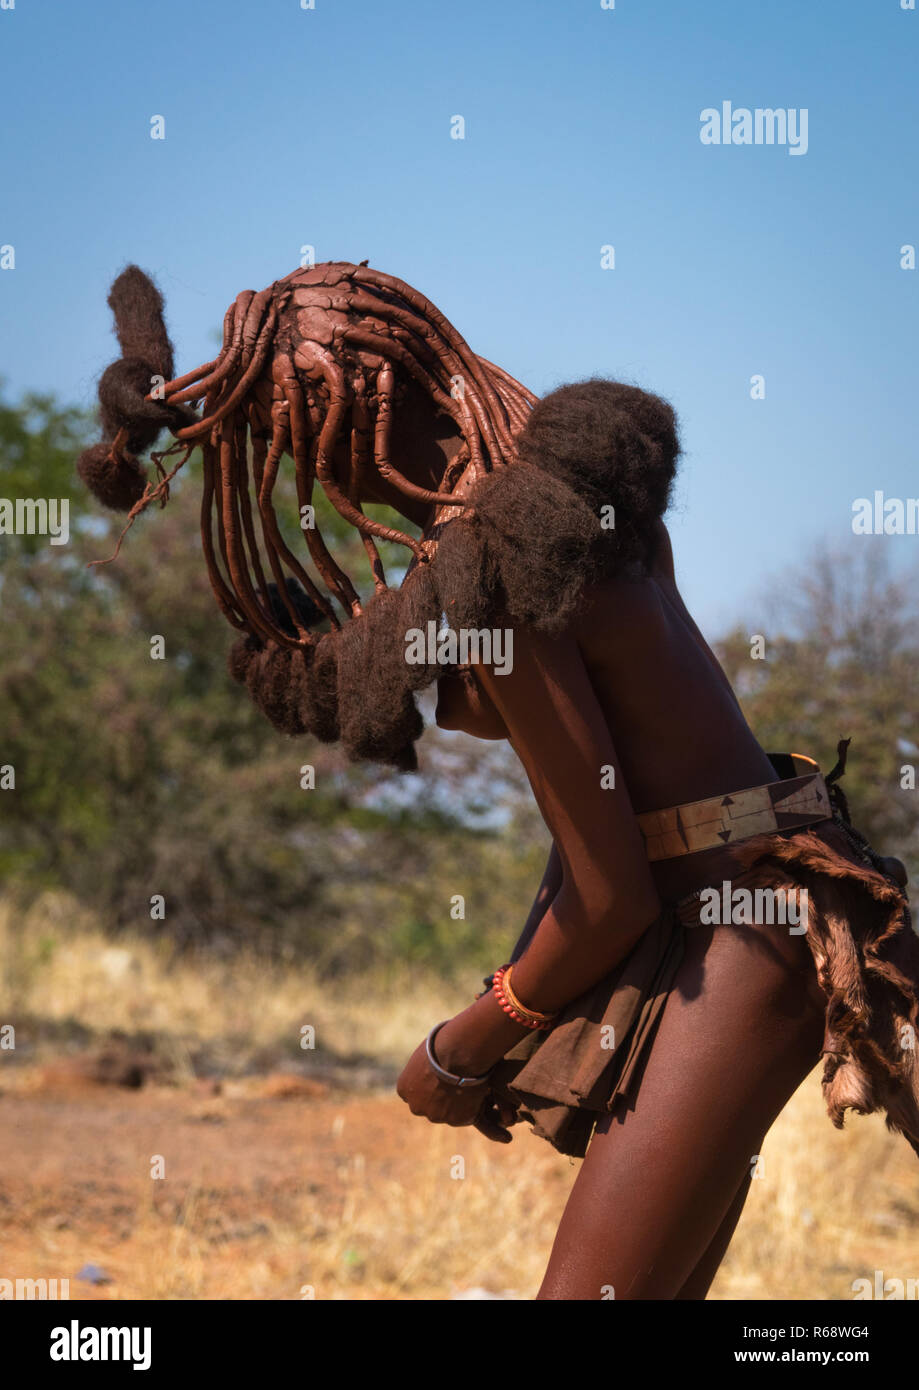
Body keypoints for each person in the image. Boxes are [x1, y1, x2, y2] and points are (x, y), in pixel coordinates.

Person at [79, 260, 919, 1300]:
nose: (317, 487)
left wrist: (465, 1041)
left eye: (300, 445)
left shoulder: (496, 570)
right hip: (751, 900)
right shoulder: (571, 494)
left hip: (739, 938)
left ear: (360, 418)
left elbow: (610, 893)